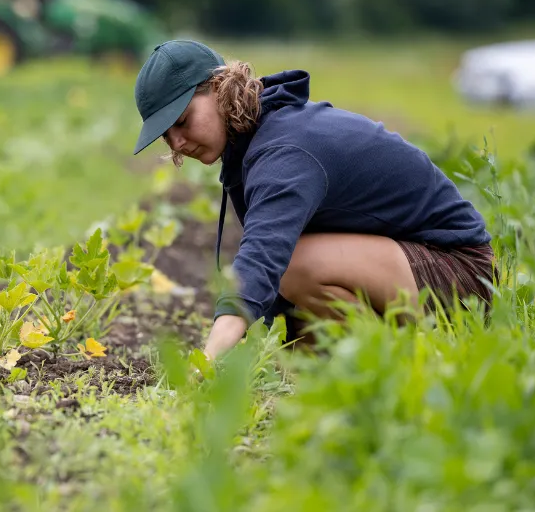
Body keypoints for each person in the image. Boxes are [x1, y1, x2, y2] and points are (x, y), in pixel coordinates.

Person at [132, 39, 498, 360]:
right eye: (167, 135)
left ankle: (395, 364)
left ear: (218, 87)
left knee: (292, 266)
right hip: (407, 265)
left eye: (183, 121)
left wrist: (208, 359)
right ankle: (363, 366)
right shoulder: (259, 135)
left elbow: (263, 257)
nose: (177, 142)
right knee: (301, 343)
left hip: (461, 278)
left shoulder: (285, 150)